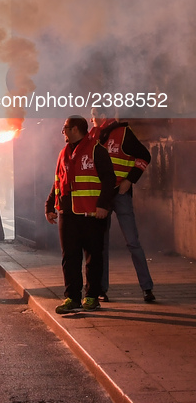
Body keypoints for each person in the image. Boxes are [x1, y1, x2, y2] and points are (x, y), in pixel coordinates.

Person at [45, 116, 116, 314]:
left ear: (75, 129)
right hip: (67, 214)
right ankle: (72, 298)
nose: (63, 132)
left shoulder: (96, 150)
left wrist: (103, 205)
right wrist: (49, 206)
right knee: (70, 258)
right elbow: (58, 182)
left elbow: (110, 179)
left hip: (92, 213)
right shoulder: (63, 153)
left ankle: (92, 296)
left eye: (65, 127)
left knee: (93, 257)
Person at [89, 108, 155, 302]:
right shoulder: (92, 136)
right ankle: (101, 289)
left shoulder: (123, 133)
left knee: (133, 242)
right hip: (102, 197)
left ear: (101, 117)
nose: (90, 119)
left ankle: (147, 288)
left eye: (93, 115)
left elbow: (145, 156)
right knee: (101, 244)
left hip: (120, 194)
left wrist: (129, 180)